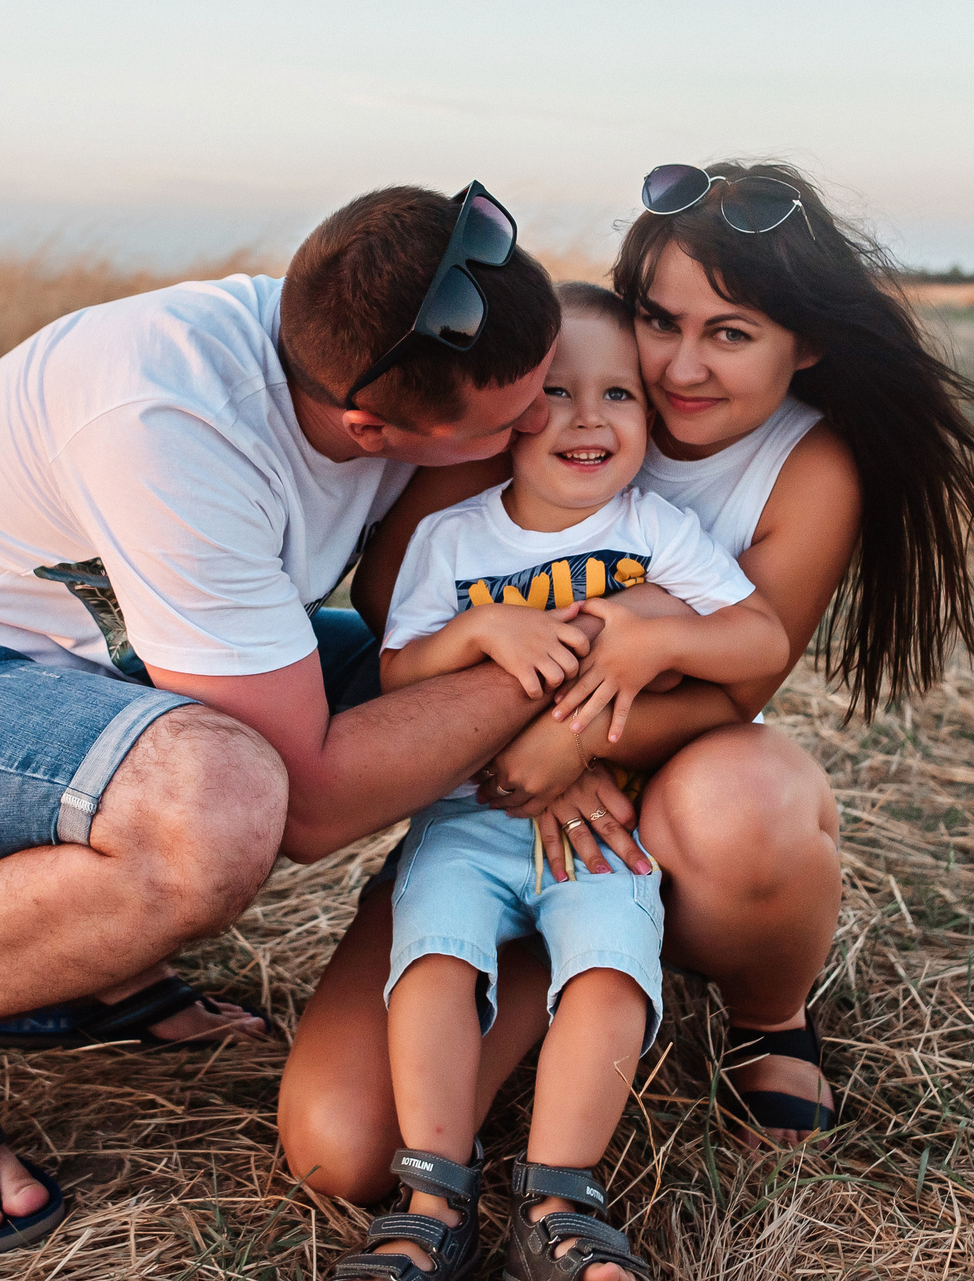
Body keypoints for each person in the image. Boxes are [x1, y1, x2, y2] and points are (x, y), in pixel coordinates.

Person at [0, 183, 585, 1258]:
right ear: (371, 427)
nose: (546, 422)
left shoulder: (362, 348)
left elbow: (405, 599)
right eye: (514, 419)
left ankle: (90, 966)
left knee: (407, 682)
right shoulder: (168, 412)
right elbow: (311, 802)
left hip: (85, 684)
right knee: (222, 801)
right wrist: (560, 659)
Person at [280, 160, 974, 1199]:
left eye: (731, 332)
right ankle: (491, 947)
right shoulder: (556, 387)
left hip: (669, 787)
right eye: (659, 320)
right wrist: (533, 751)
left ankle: (766, 1012)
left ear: (808, 341)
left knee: (748, 800)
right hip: (494, 797)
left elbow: (735, 684)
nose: (679, 367)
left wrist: (580, 737)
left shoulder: (807, 465)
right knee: (343, 1150)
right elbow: (399, 606)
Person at [330, 284, 789, 1281]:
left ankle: (560, 1198)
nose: (590, 417)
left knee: (610, 971)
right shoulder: (454, 540)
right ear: (508, 411)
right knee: (436, 961)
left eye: (620, 393)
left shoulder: (657, 529)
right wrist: (476, 630)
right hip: (470, 815)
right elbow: (401, 673)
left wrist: (655, 633)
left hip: (601, 826)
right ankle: (430, 1199)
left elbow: (761, 636)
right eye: (560, 394)